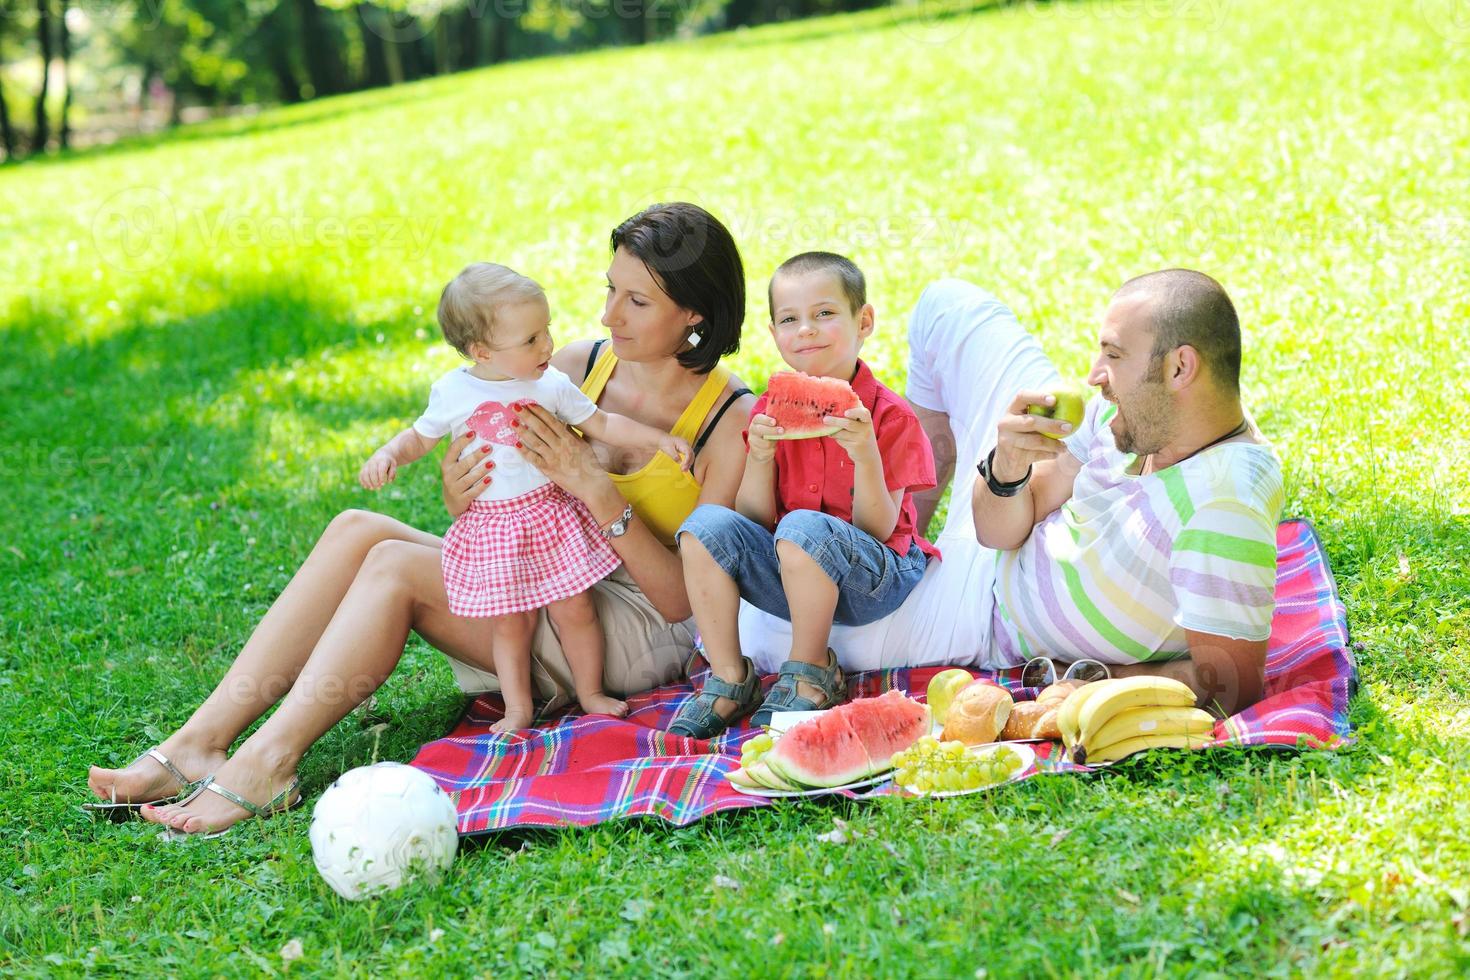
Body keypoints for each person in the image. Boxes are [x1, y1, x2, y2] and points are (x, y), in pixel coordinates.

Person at [87, 203, 756, 837]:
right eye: (609, 289)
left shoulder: (728, 423)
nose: (610, 314)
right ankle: (197, 743)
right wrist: (462, 493)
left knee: (396, 567)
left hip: (639, 628)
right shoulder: (578, 366)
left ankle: (268, 763)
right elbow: (500, 495)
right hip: (545, 569)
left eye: (636, 302)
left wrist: (596, 489)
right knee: (358, 527)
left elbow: (684, 603)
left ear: (694, 313)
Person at [736, 270, 1283, 716]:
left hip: (982, 612)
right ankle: (902, 527)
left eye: (1113, 356)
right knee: (945, 304)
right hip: (997, 549)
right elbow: (999, 529)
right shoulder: (1137, 417)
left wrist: (1096, 682)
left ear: (1180, 367)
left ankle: (889, 554)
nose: (1093, 376)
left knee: (754, 626)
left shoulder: (1222, 505)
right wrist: (1006, 468)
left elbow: (1230, 687)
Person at [359, 262, 695, 732]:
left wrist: (657, 439)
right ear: (482, 351)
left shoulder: (550, 383)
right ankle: (517, 707)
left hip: (551, 517)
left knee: (575, 609)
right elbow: (420, 437)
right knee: (510, 624)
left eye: (546, 331)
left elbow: (602, 424)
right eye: (531, 340)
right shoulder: (454, 391)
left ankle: (591, 691)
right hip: (495, 526)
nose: (548, 346)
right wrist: (388, 453)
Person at [669, 252, 939, 738]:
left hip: (875, 579)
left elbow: (879, 531)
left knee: (802, 527)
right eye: (790, 320)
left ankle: (814, 670)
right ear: (774, 335)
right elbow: (752, 519)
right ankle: (731, 676)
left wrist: (865, 454)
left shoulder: (891, 418)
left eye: (824, 314)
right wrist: (760, 456)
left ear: (865, 321)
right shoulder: (770, 411)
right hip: (791, 573)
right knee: (703, 526)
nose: (807, 330)